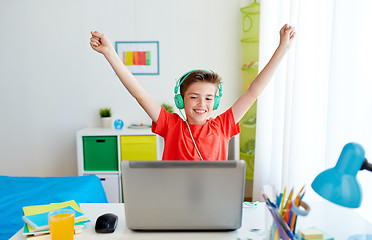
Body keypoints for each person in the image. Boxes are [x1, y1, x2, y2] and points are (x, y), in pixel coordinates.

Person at [90, 24, 296, 161]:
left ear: (215, 103)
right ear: (180, 100)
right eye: (194, 97)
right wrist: (110, 53)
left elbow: (253, 91)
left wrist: (283, 48)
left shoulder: (223, 125)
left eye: (208, 98)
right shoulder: (170, 125)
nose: (201, 104)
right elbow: (139, 94)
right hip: (174, 201)